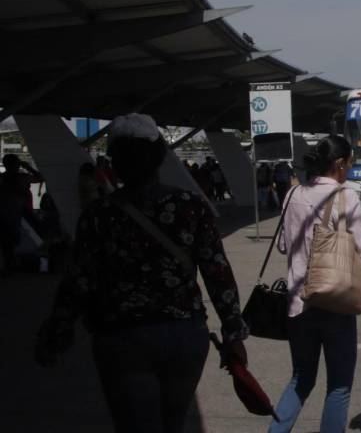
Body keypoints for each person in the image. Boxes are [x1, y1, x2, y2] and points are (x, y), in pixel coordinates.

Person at [34, 114, 248, 433]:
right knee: (173, 423)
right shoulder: (191, 206)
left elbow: (78, 281)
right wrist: (232, 331)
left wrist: (58, 330)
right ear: (161, 156)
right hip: (183, 334)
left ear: (114, 162)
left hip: (122, 337)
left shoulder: (99, 215)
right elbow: (217, 272)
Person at [270, 135, 361, 433]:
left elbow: (282, 245)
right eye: (349, 162)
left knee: (301, 378)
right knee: (338, 386)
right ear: (339, 164)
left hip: (299, 303)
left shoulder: (292, 194)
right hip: (335, 302)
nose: (350, 168)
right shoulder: (345, 196)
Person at [1, 154, 41, 275]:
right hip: (18, 211)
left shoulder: (2, 178)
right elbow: (40, 178)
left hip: (5, 212)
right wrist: (28, 167)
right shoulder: (23, 177)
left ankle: (8, 264)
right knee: (12, 239)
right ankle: (10, 264)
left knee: (7, 241)